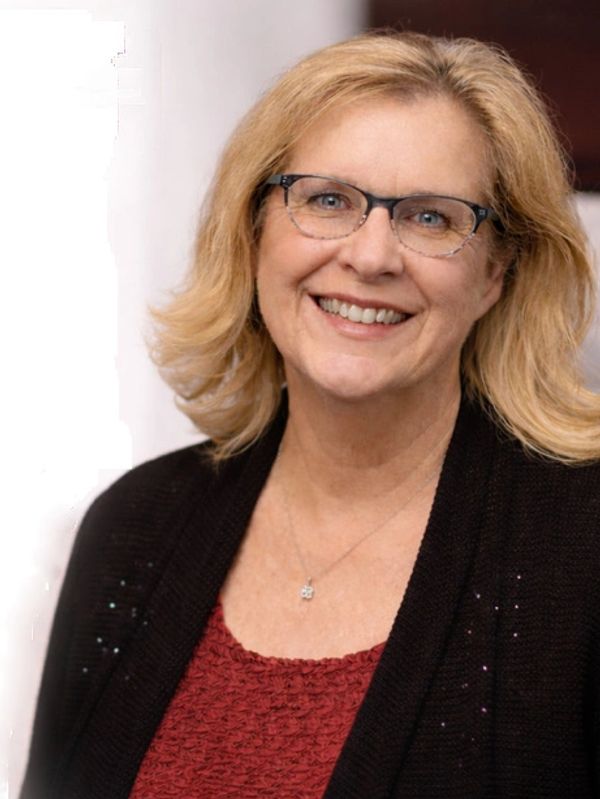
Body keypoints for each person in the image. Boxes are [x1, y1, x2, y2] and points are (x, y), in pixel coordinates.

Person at [20, 30, 600, 799]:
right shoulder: (132, 530)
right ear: (254, 226)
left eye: (430, 218)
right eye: (328, 199)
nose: (371, 256)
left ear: (496, 270)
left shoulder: (581, 550)